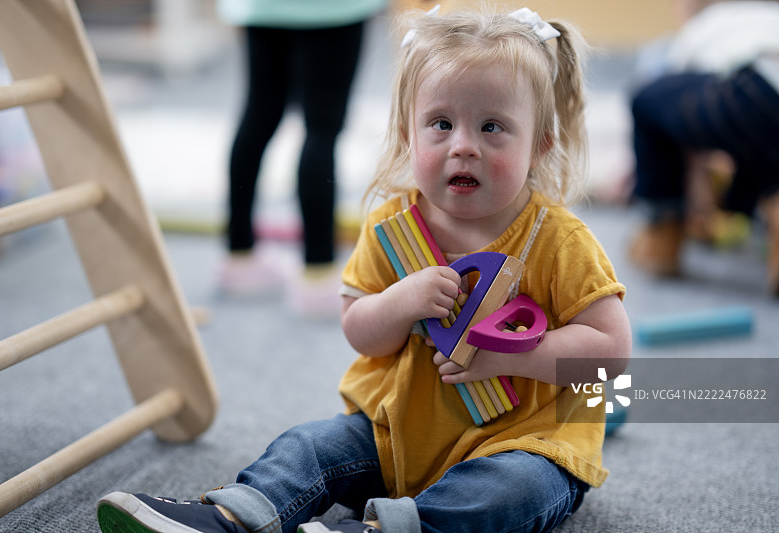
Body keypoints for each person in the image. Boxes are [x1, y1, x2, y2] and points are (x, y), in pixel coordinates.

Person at [95, 6, 631, 533]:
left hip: (519, 441)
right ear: (407, 134)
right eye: (441, 124)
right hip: (391, 434)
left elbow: (610, 355)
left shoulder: (559, 240)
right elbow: (361, 332)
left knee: (519, 491)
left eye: (493, 127)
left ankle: (398, 528)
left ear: (540, 144)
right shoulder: (392, 226)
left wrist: (511, 355)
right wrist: (400, 302)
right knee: (309, 446)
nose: (464, 146)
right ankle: (234, 516)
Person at [216, 0, 387, 314]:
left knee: (258, 115)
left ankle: (238, 255)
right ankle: (318, 273)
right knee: (321, 128)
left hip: (264, 7)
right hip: (330, 9)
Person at [627, 0, 779, 294]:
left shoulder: (706, 25)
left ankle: (663, 234)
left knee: (648, 100)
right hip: (766, 109)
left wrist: (691, 202)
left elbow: (678, 131)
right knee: (761, 154)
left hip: (759, 88)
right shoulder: (768, 14)